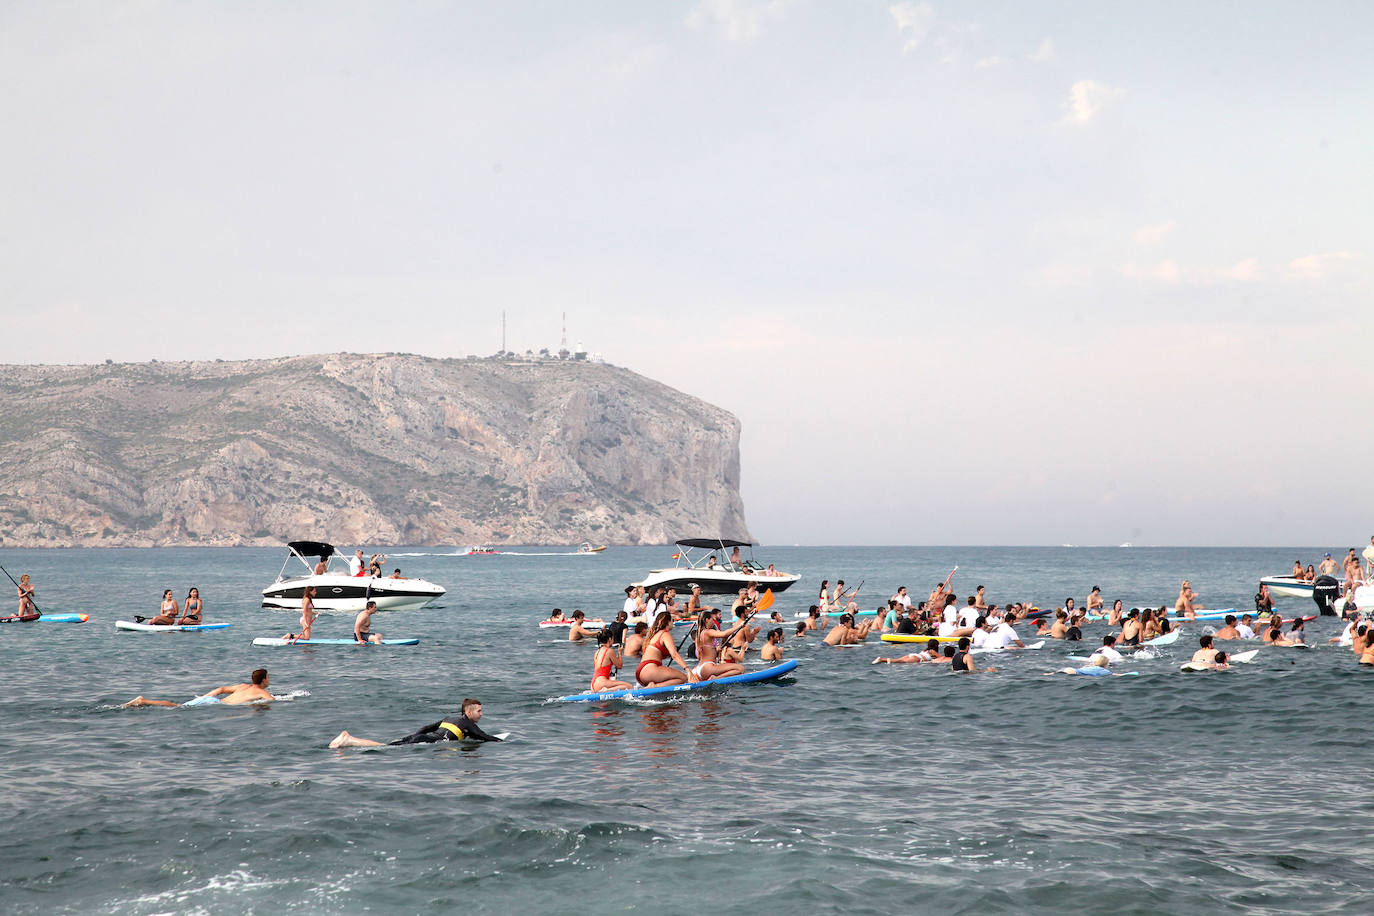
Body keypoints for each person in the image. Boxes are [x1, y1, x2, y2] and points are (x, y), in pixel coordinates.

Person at [329, 698, 503, 747]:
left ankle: (348, 740)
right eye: (479, 711)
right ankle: (349, 740)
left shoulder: (449, 718)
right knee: (384, 747)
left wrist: (415, 736)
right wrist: (503, 742)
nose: (481, 714)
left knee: (389, 745)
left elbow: (427, 728)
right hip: (427, 741)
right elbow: (484, 737)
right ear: (469, 712)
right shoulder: (468, 725)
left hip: (421, 736)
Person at [124, 668, 274, 707]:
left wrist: (205, 696)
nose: (269, 679)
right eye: (268, 677)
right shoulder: (262, 692)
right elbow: (272, 700)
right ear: (263, 679)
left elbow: (221, 689)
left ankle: (144, 701)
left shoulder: (243, 686)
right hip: (214, 704)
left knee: (179, 706)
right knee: (177, 706)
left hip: (211, 700)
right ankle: (143, 701)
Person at [635, 612, 697, 687]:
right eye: (672, 620)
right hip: (650, 670)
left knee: (671, 678)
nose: (673, 622)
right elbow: (674, 655)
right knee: (683, 678)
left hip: (641, 671)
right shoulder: (665, 634)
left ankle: (653, 685)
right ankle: (655, 686)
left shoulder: (652, 636)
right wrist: (688, 670)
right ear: (667, 622)